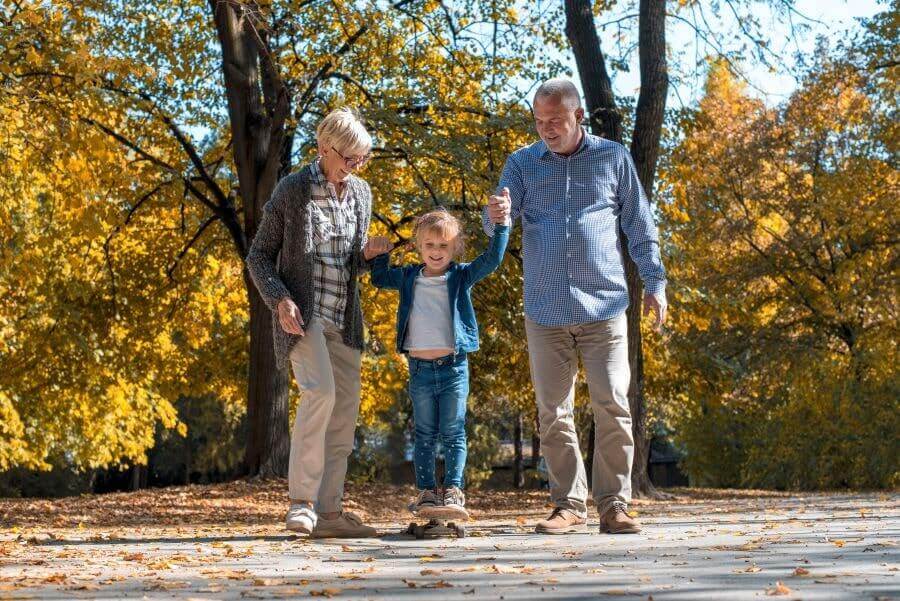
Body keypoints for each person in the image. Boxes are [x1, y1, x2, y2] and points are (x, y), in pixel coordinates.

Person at [484, 78, 668, 535]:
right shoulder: (522, 164)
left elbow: (640, 226)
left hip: (604, 306)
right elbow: (498, 229)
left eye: (556, 120)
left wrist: (655, 281)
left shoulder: (612, 158)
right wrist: (495, 219)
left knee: (612, 405)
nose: (546, 128)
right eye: (539, 120)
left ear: (578, 116)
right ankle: (568, 504)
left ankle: (614, 505)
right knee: (553, 413)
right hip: (545, 310)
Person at [245, 107, 378, 538]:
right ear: (324, 148)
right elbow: (259, 256)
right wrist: (279, 299)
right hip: (303, 317)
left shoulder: (360, 193)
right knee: (319, 392)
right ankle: (301, 504)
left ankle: (330, 512)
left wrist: (371, 255)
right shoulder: (292, 190)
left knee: (343, 412)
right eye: (349, 158)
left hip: (345, 317)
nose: (354, 167)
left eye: (361, 160)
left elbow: (353, 258)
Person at [365, 207, 509, 519]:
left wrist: (501, 228)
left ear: (455, 248)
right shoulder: (407, 278)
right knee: (425, 434)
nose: (436, 252)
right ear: (419, 246)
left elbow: (493, 260)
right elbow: (378, 278)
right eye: (429, 245)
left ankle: (454, 491)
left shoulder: (461, 276)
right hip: (419, 370)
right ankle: (427, 492)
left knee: (454, 431)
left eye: (444, 246)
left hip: (454, 367)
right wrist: (378, 255)